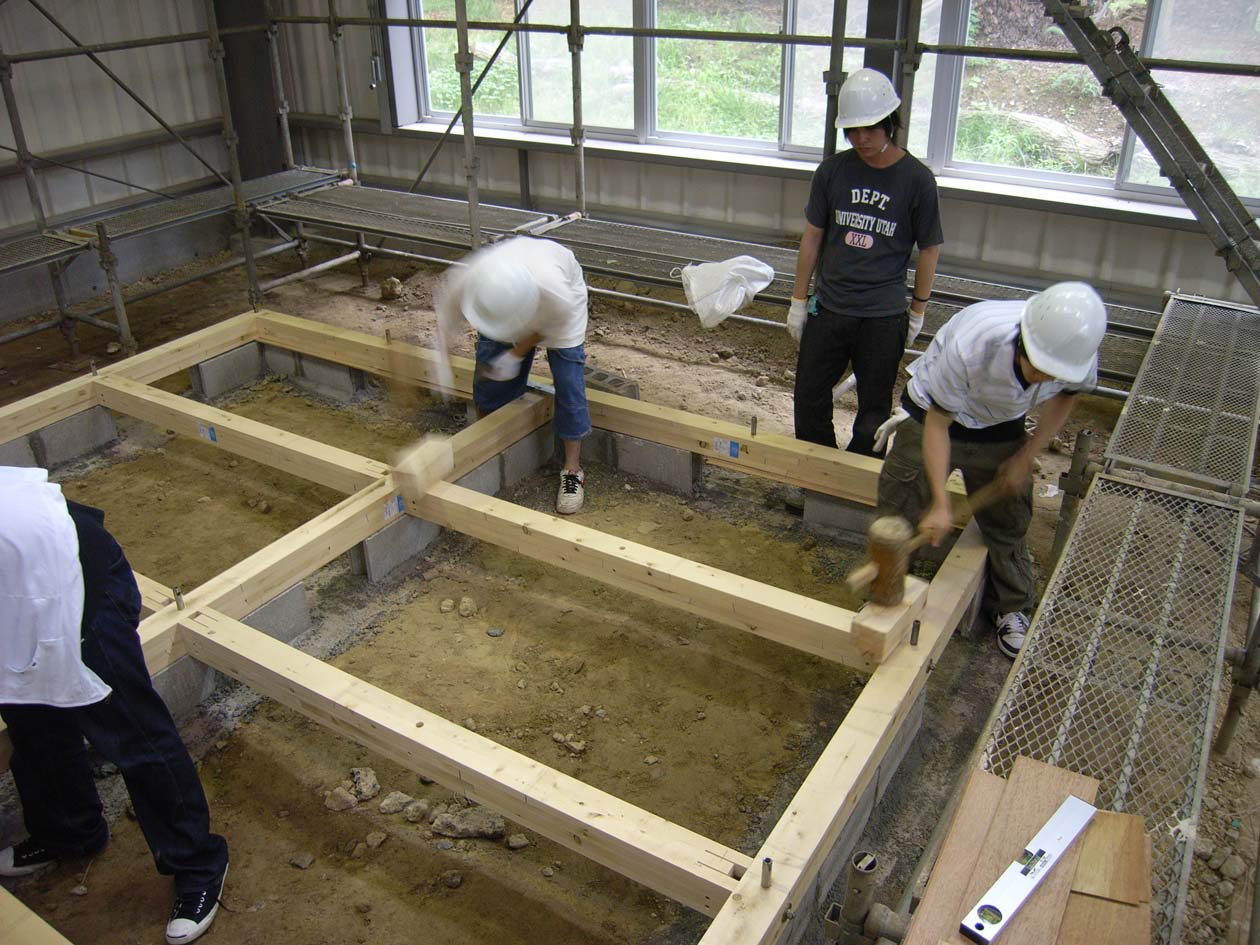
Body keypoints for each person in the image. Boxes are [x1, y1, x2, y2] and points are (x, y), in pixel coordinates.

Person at [0, 467, 229, 945]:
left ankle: (197, 863)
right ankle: (69, 832)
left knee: (132, 732)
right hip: (17, 591)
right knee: (33, 722)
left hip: (73, 578)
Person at [875, 282, 1107, 659]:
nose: (1045, 379)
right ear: (1023, 342)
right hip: (931, 412)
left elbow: (1066, 399)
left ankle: (1011, 605)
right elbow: (938, 424)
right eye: (1039, 369)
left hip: (1001, 422)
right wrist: (940, 504)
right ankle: (887, 595)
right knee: (900, 509)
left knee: (1009, 516)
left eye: (1053, 374)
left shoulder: (1075, 354)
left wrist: (1025, 456)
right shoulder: (975, 342)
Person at [788, 67, 943, 460]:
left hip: (882, 315)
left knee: (873, 408)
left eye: (870, 129)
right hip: (830, 307)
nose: (861, 139)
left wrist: (918, 310)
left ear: (890, 122)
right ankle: (818, 471)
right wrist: (797, 300)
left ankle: (858, 478)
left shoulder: (917, 181)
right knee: (808, 395)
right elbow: (812, 236)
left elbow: (929, 249)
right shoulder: (832, 172)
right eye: (853, 130)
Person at [436, 236, 592, 515]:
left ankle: (572, 471)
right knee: (490, 377)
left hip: (559, 309)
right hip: (506, 304)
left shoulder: (556, 293)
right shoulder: (474, 277)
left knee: (568, 380)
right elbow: (445, 319)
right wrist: (442, 366)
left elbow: (549, 326)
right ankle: (485, 447)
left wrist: (515, 354)